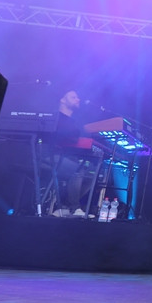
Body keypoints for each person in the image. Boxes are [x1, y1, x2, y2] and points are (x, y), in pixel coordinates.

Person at [49, 89, 98, 218]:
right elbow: (56, 138)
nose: (78, 99)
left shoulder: (74, 122)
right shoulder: (54, 117)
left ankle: (64, 207)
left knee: (92, 173)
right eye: (73, 97)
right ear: (62, 100)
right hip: (50, 155)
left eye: (78, 97)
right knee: (77, 170)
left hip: (66, 157)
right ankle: (75, 208)